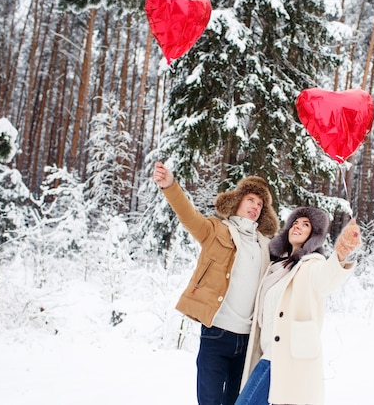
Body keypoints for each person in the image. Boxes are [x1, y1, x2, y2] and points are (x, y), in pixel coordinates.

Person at [153, 162, 279, 405]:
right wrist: (170, 186)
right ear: (238, 200)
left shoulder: (265, 245)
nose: (255, 206)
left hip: (247, 341)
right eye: (251, 199)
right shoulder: (216, 230)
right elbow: (188, 215)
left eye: (260, 204)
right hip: (217, 334)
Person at [235, 207, 362, 405]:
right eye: (295, 223)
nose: (297, 227)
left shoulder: (312, 265)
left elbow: (326, 279)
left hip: (283, 359)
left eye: (305, 225)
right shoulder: (276, 266)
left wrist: (342, 252)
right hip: (266, 353)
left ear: (314, 235)